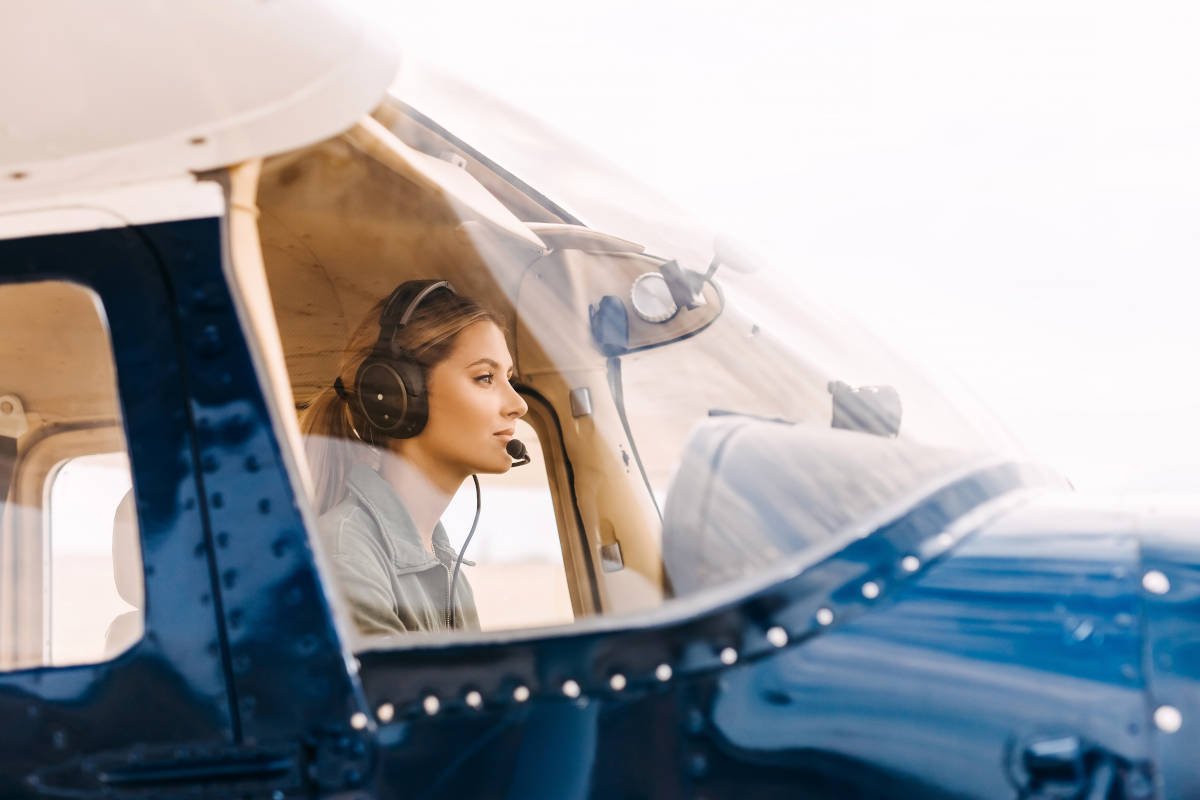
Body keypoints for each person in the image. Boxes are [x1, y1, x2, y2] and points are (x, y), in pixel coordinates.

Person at [300, 280, 528, 636]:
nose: (519, 405)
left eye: (509, 379)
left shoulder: (444, 568)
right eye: (485, 378)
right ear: (398, 395)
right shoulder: (346, 557)